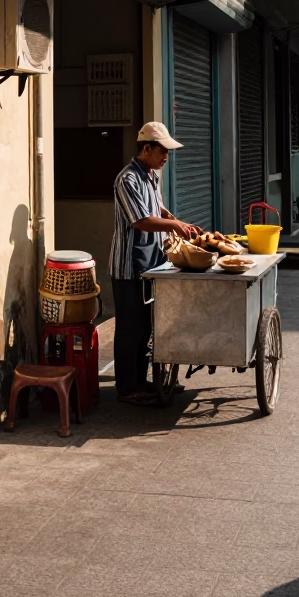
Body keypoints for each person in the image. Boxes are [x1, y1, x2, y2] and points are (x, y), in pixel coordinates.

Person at [109, 122, 197, 405]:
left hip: (150, 265)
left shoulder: (151, 176)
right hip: (127, 267)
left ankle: (140, 380)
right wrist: (174, 225)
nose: (166, 158)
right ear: (145, 149)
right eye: (162, 152)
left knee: (146, 328)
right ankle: (126, 388)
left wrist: (172, 218)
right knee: (129, 329)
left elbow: (155, 208)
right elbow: (141, 220)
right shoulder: (127, 179)